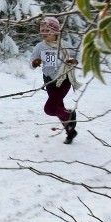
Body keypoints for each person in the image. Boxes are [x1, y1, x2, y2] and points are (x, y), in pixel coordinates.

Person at [30, 16, 82, 144]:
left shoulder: (64, 46)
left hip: (63, 80)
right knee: (58, 107)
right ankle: (70, 132)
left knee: (50, 108)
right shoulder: (40, 47)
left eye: (47, 31)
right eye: (42, 30)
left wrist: (73, 61)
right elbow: (31, 61)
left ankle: (70, 115)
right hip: (49, 82)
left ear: (55, 31)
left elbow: (77, 55)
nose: (43, 33)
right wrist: (35, 62)